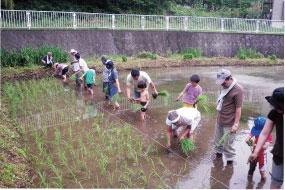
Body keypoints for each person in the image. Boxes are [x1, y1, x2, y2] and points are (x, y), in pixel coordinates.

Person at [249, 87, 284, 189]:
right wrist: (256, 152)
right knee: (276, 181)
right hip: (280, 152)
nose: (275, 107)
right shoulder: (274, 113)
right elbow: (264, 133)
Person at [214, 69, 243, 164]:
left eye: (223, 83)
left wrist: (235, 124)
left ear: (230, 78)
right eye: (221, 83)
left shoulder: (238, 89)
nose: (222, 85)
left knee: (228, 145)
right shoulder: (223, 87)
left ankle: (230, 163)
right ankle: (218, 158)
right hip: (220, 119)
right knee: (218, 142)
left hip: (230, 122)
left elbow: (238, 108)